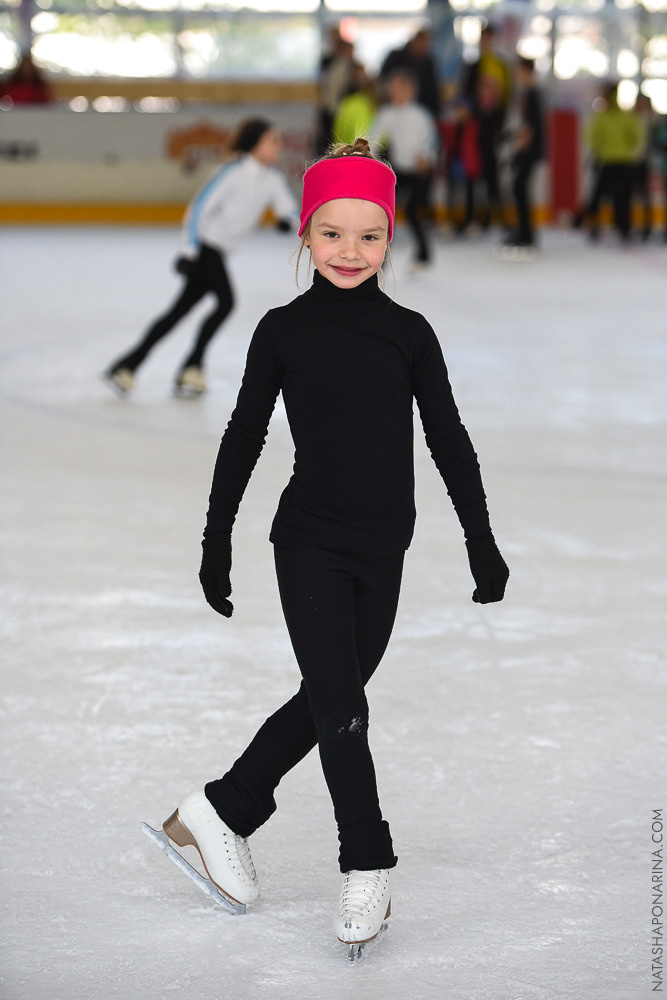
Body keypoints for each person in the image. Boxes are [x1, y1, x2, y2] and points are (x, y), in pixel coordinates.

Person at [159, 138, 509, 953]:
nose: (349, 252)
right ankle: (367, 863)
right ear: (304, 238)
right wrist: (216, 542)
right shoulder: (282, 331)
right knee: (343, 709)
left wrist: (479, 541)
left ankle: (222, 807)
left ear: (389, 238)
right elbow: (243, 438)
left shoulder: (409, 334)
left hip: (382, 548)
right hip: (309, 542)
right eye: (331, 233)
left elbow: (449, 441)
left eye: (369, 235)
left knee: (327, 698)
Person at [103, 119, 297, 398]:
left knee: (178, 312)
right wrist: (188, 251)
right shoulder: (232, 172)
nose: (278, 146)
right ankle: (192, 366)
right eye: (272, 140)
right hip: (206, 249)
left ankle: (127, 365)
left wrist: (295, 226)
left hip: (220, 253)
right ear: (255, 143)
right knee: (226, 303)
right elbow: (199, 210)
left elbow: (289, 211)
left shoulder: (272, 179)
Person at [370, 69, 439, 270]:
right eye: (392, 88)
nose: (395, 92)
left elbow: (431, 141)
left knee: (412, 211)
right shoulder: (386, 114)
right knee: (385, 213)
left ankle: (423, 254)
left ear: (410, 90)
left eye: (399, 88)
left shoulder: (420, 115)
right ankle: (379, 259)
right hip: (399, 171)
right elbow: (374, 138)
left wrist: (425, 157)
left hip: (420, 171)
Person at [460, 24, 511, 232]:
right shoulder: (474, 66)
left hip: (491, 129)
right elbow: (466, 95)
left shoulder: (500, 66)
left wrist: (500, 124)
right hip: (474, 128)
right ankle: (472, 216)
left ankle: (493, 217)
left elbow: (506, 97)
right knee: (471, 173)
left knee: (491, 173)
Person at [583, 82, 646, 243]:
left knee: (619, 197)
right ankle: (599, 227)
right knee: (602, 197)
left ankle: (622, 228)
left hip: (620, 161)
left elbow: (637, 137)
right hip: (611, 161)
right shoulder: (605, 116)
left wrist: (632, 155)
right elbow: (593, 138)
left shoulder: (618, 116)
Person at [503, 57, 544, 250]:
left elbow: (532, 125)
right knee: (519, 189)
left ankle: (526, 233)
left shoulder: (532, 94)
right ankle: (523, 231)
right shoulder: (526, 94)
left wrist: (521, 144)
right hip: (525, 149)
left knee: (520, 188)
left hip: (528, 150)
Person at [380, 29, 441, 121]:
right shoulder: (396, 57)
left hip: (421, 107)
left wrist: (435, 111)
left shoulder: (428, 62)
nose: (423, 47)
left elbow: (432, 90)